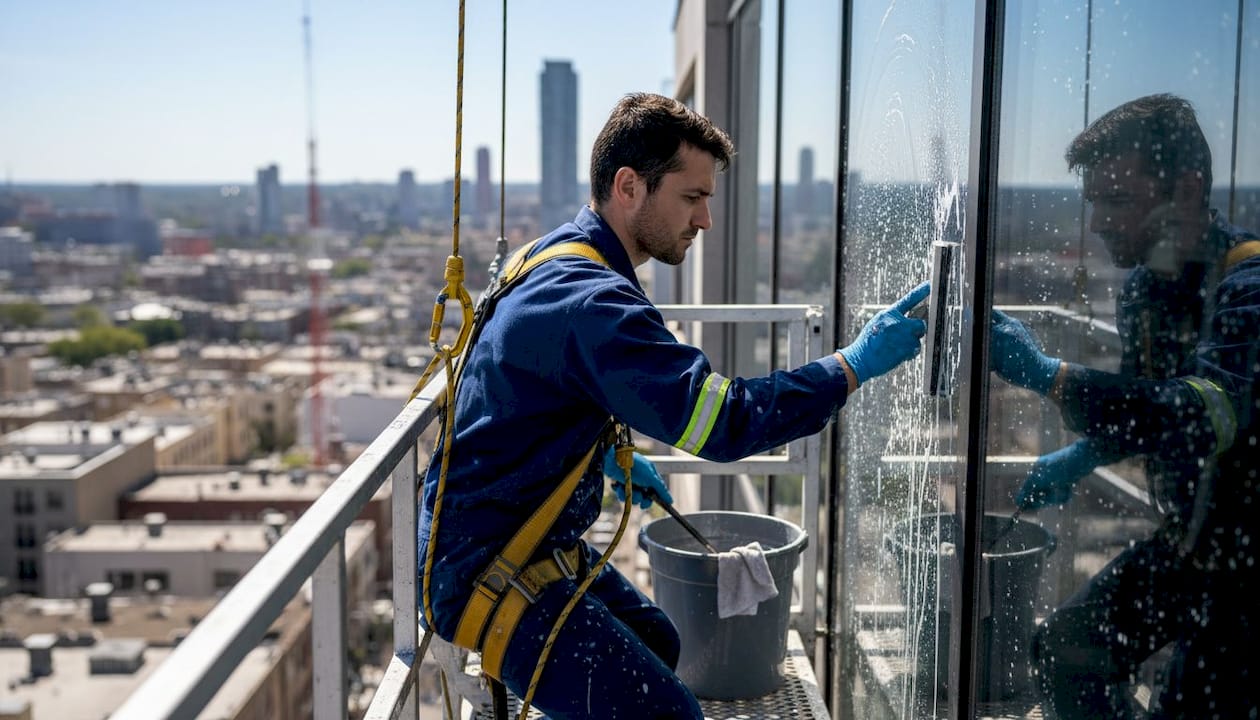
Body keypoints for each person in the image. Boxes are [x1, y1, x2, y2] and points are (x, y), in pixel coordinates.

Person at [417, 92, 930, 719]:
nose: (706, 220)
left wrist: (603, 453)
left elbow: (529, 391)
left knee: (659, 640)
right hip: (489, 570)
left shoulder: (553, 257)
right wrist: (849, 366)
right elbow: (725, 422)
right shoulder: (592, 300)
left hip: (499, 538)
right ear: (629, 186)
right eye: (692, 197)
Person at [989, 93, 1260, 718]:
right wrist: (1082, 454)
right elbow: (1148, 410)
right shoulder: (1147, 289)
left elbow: (1202, 414)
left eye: (1117, 201)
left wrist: (1054, 378)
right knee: (1065, 651)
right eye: (1093, 203)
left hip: (1246, 570)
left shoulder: (1248, 290)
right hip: (1198, 547)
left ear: (1186, 192)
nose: (1100, 224)